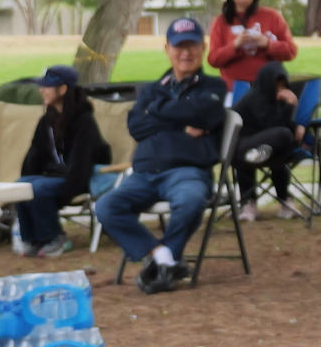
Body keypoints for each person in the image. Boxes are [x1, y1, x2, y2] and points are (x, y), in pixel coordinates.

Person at [94, 17, 227, 295]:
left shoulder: (213, 86)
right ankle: (164, 258)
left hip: (188, 171)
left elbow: (204, 115)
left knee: (191, 201)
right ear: (167, 49)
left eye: (192, 46)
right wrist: (181, 123)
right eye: (179, 47)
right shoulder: (151, 89)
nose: (185, 53)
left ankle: (163, 262)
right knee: (106, 206)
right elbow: (136, 126)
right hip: (143, 174)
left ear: (203, 48)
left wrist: (156, 110)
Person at [11, 65, 110, 257]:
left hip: (81, 180)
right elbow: (34, 156)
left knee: (39, 189)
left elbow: (81, 166)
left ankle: (55, 237)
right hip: (56, 177)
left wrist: (63, 196)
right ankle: (33, 239)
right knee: (22, 186)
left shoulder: (84, 121)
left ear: (63, 89)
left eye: (46, 86)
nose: (41, 90)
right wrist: (25, 182)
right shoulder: (47, 121)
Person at [231, 61, 306, 222]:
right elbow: (272, 125)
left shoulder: (275, 99)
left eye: (283, 84)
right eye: (277, 84)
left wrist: (296, 126)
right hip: (239, 146)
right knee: (282, 137)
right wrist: (290, 105)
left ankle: (284, 201)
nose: (280, 88)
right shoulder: (256, 98)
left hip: (264, 147)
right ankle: (250, 202)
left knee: (278, 148)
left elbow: (278, 122)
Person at [207, 0, 297, 89]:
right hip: (233, 88)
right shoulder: (220, 22)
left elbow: (291, 52)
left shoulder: (272, 16)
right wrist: (235, 45)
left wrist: (268, 44)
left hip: (268, 86)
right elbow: (213, 60)